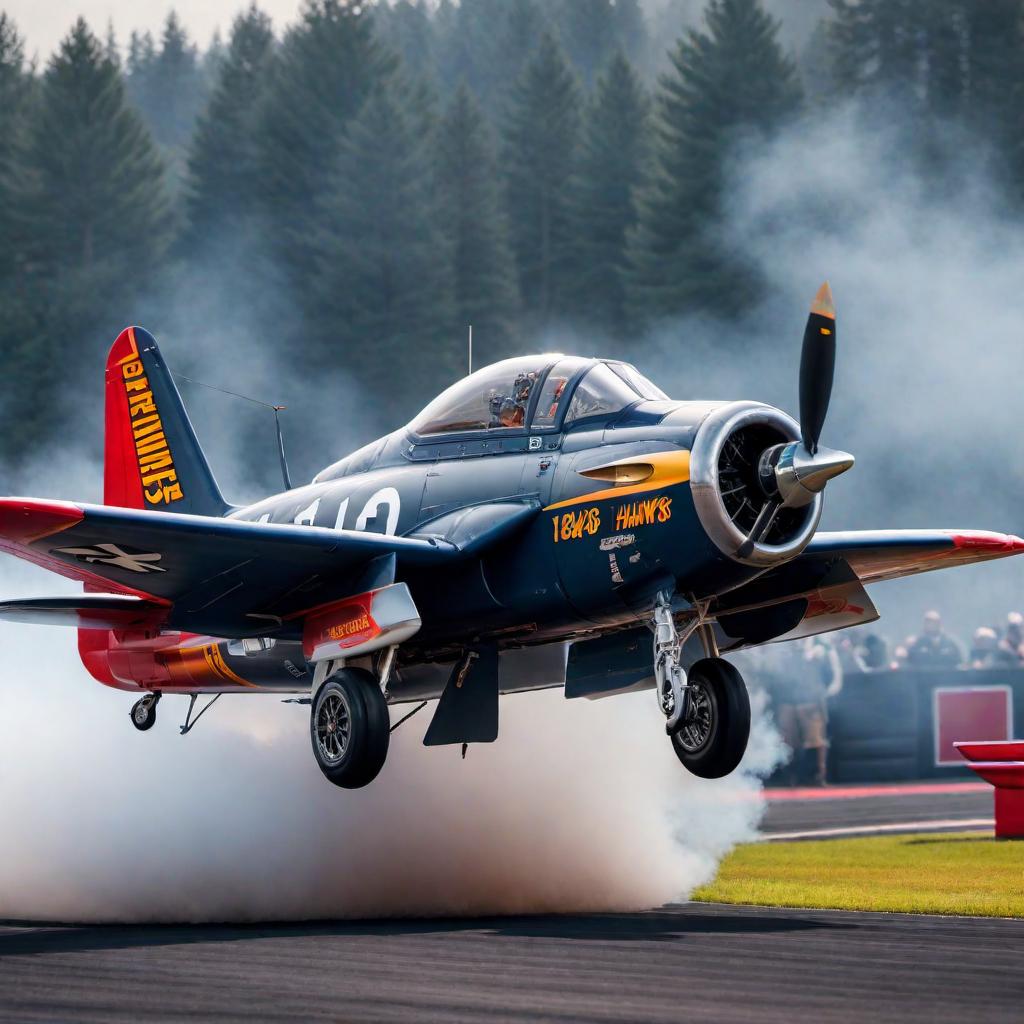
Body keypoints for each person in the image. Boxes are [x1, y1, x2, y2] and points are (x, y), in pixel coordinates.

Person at [775, 636, 842, 786]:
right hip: (787, 699)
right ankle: (790, 776)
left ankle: (819, 776)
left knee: (817, 740)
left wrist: (831, 689)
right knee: (788, 741)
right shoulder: (783, 640)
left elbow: (834, 668)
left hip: (811, 698)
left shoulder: (820, 643)